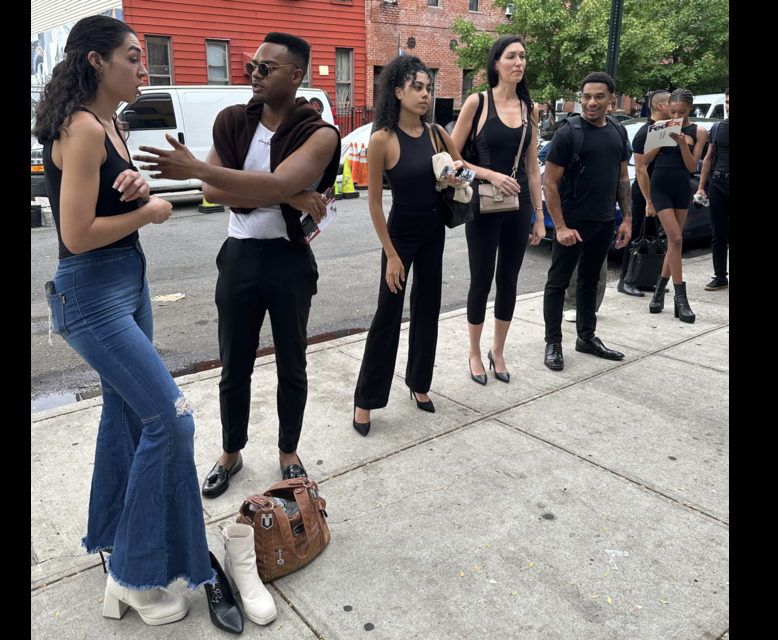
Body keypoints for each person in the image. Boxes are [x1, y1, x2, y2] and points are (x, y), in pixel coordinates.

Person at [34, 15, 212, 624]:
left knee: (126, 416)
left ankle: (113, 547)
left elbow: (102, 197)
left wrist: (132, 188)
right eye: (134, 57)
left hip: (126, 284)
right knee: (172, 419)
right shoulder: (83, 127)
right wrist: (152, 211)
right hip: (92, 294)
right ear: (95, 62)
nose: (144, 67)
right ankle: (136, 574)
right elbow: (76, 235)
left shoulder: (113, 123)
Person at [133, 33, 341, 494]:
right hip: (241, 256)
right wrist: (284, 192)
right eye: (252, 66)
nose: (254, 74)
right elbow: (216, 193)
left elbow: (270, 181)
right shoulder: (232, 122)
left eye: (267, 68)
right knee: (234, 364)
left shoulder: (320, 133)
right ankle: (231, 450)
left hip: (289, 259)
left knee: (293, 362)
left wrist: (204, 169)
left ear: (296, 75)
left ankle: (288, 452)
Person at [351, 56, 465, 435]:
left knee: (428, 308)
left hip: (435, 231)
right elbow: (374, 204)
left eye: (428, 88)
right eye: (417, 87)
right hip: (400, 235)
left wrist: (454, 175)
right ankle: (365, 401)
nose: (425, 94)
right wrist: (392, 256)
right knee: (387, 316)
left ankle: (419, 383)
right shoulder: (382, 138)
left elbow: (462, 166)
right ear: (397, 92)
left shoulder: (437, 133)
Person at [450, 35, 544, 385]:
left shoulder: (530, 108)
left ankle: (498, 350)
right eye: (511, 57)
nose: (519, 63)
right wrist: (489, 173)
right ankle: (474, 352)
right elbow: (452, 159)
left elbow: (533, 168)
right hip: (483, 203)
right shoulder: (477, 102)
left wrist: (539, 215)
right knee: (481, 280)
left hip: (517, 206)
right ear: (496, 64)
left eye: (523, 57)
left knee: (509, 280)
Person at [541, 72, 633, 371]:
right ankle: (553, 342)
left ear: (612, 100)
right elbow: (549, 184)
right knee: (557, 283)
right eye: (586, 97)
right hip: (573, 222)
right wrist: (562, 226)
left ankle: (586, 337)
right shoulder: (568, 133)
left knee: (590, 281)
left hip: (604, 221)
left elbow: (622, 178)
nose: (591, 103)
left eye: (598, 97)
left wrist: (626, 219)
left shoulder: (618, 131)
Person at [641, 88, 707, 321]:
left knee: (674, 243)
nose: (676, 116)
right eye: (672, 111)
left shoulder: (699, 131)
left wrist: (681, 144)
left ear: (690, 109)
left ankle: (659, 292)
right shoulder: (660, 126)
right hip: (660, 187)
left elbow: (692, 167)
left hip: (681, 187)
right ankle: (681, 299)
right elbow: (645, 160)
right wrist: (662, 139)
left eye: (682, 112)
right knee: (676, 239)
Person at [622, 90, 672, 294]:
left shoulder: (663, 129)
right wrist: (649, 200)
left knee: (650, 236)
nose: (675, 106)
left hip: (657, 192)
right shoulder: (646, 132)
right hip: (644, 192)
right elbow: (641, 170)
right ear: (660, 106)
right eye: (671, 103)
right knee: (635, 235)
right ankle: (625, 280)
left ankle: (644, 277)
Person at [697, 87, 729, 290]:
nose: (728, 106)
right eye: (727, 102)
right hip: (718, 183)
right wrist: (701, 187)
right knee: (718, 232)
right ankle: (720, 276)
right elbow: (708, 158)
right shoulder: (718, 128)